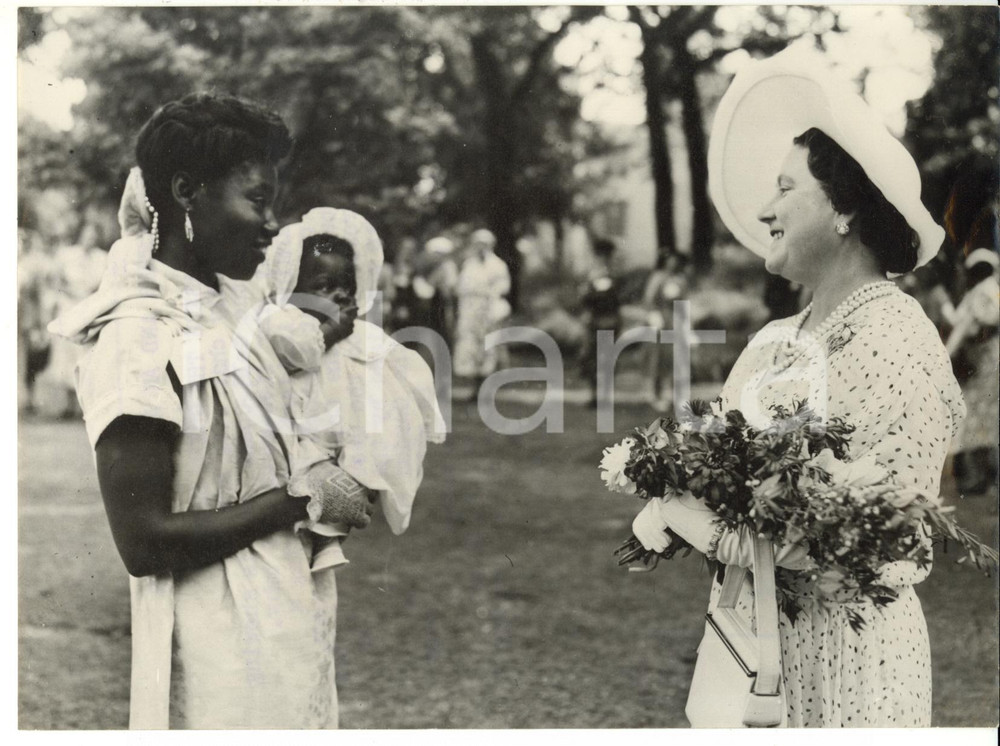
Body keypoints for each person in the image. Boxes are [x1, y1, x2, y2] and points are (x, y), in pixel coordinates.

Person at [630, 51, 965, 726]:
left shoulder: (895, 336)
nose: (763, 210)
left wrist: (719, 520)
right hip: (754, 649)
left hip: (851, 659)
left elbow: (888, 535)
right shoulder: (774, 340)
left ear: (846, 209)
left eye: (785, 189)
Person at [47, 93, 375, 729]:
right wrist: (301, 497)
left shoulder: (238, 311)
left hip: (283, 605)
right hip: (209, 638)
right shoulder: (135, 335)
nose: (273, 223)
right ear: (186, 192)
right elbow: (142, 541)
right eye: (256, 199)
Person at [221, 207, 446, 570]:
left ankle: (333, 536)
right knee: (312, 469)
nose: (340, 296)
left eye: (348, 287)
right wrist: (329, 334)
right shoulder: (282, 320)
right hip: (304, 423)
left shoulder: (355, 334)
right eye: (324, 287)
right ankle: (321, 539)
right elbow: (293, 351)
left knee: (363, 460)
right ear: (288, 288)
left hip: (344, 424)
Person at [453, 228, 511, 400]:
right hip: (470, 309)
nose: (480, 247)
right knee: (471, 347)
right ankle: (474, 386)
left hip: (488, 309)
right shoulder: (468, 264)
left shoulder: (498, 265)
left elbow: (503, 287)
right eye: (477, 243)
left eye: (484, 244)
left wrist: (489, 297)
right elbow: (461, 287)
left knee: (488, 348)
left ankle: (486, 387)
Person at [578, 237, 622, 407]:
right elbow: (584, 297)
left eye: (605, 255)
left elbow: (614, 297)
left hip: (608, 319)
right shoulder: (592, 273)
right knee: (590, 357)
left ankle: (603, 395)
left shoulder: (612, 274)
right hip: (593, 319)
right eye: (599, 254)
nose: (602, 258)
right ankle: (594, 394)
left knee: (606, 357)